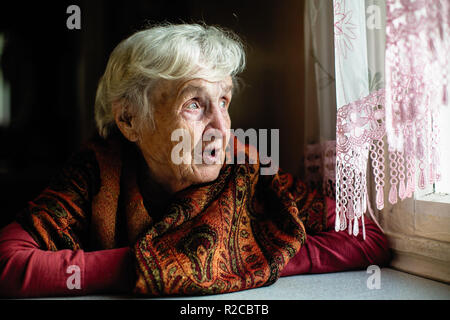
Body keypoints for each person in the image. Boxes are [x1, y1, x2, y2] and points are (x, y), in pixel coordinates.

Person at [0, 23, 390, 298]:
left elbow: (367, 239)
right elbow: (7, 263)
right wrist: (158, 267)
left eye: (224, 101)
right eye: (194, 104)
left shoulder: (245, 167)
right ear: (129, 119)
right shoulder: (97, 170)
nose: (222, 127)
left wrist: (247, 262)